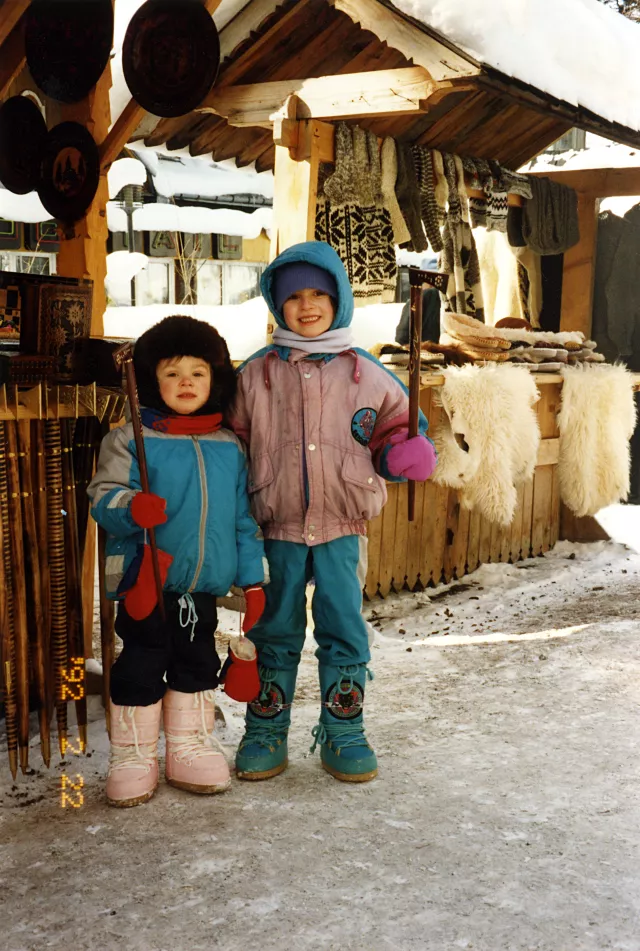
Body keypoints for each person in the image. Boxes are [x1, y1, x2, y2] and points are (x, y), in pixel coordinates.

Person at [229, 240, 437, 784]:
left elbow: (398, 427)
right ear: (276, 304)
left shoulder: (364, 371)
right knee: (275, 627)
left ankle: (344, 729)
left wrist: (404, 453)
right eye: (293, 295)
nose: (307, 304)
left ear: (340, 297)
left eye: (319, 292)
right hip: (276, 527)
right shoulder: (256, 374)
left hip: (343, 525)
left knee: (343, 624)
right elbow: (233, 442)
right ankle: (266, 729)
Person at [88, 316, 267, 808]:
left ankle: (189, 745)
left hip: (201, 587)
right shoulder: (131, 439)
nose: (185, 382)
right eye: (171, 372)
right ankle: (134, 754)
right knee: (142, 661)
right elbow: (102, 495)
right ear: (150, 380)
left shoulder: (228, 446)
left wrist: (253, 582)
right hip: (146, 578)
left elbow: (242, 520)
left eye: (197, 371)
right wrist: (129, 507)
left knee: (197, 661)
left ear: (215, 381)